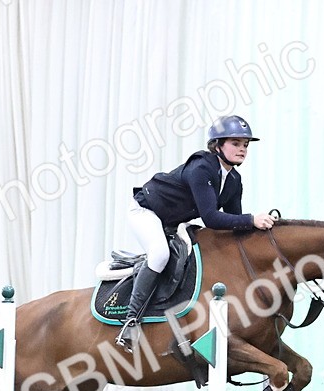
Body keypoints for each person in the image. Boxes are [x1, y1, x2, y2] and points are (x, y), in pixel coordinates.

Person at [115, 115, 277, 352]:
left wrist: (261, 232)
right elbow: (211, 218)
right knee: (159, 254)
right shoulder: (201, 168)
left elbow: (233, 225)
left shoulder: (234, 180)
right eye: (235, 143)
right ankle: (131, 321)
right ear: (217, 145)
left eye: (245, 144)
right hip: (146, 211)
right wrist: (252, 219)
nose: (242, 149)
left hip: (173, 221)